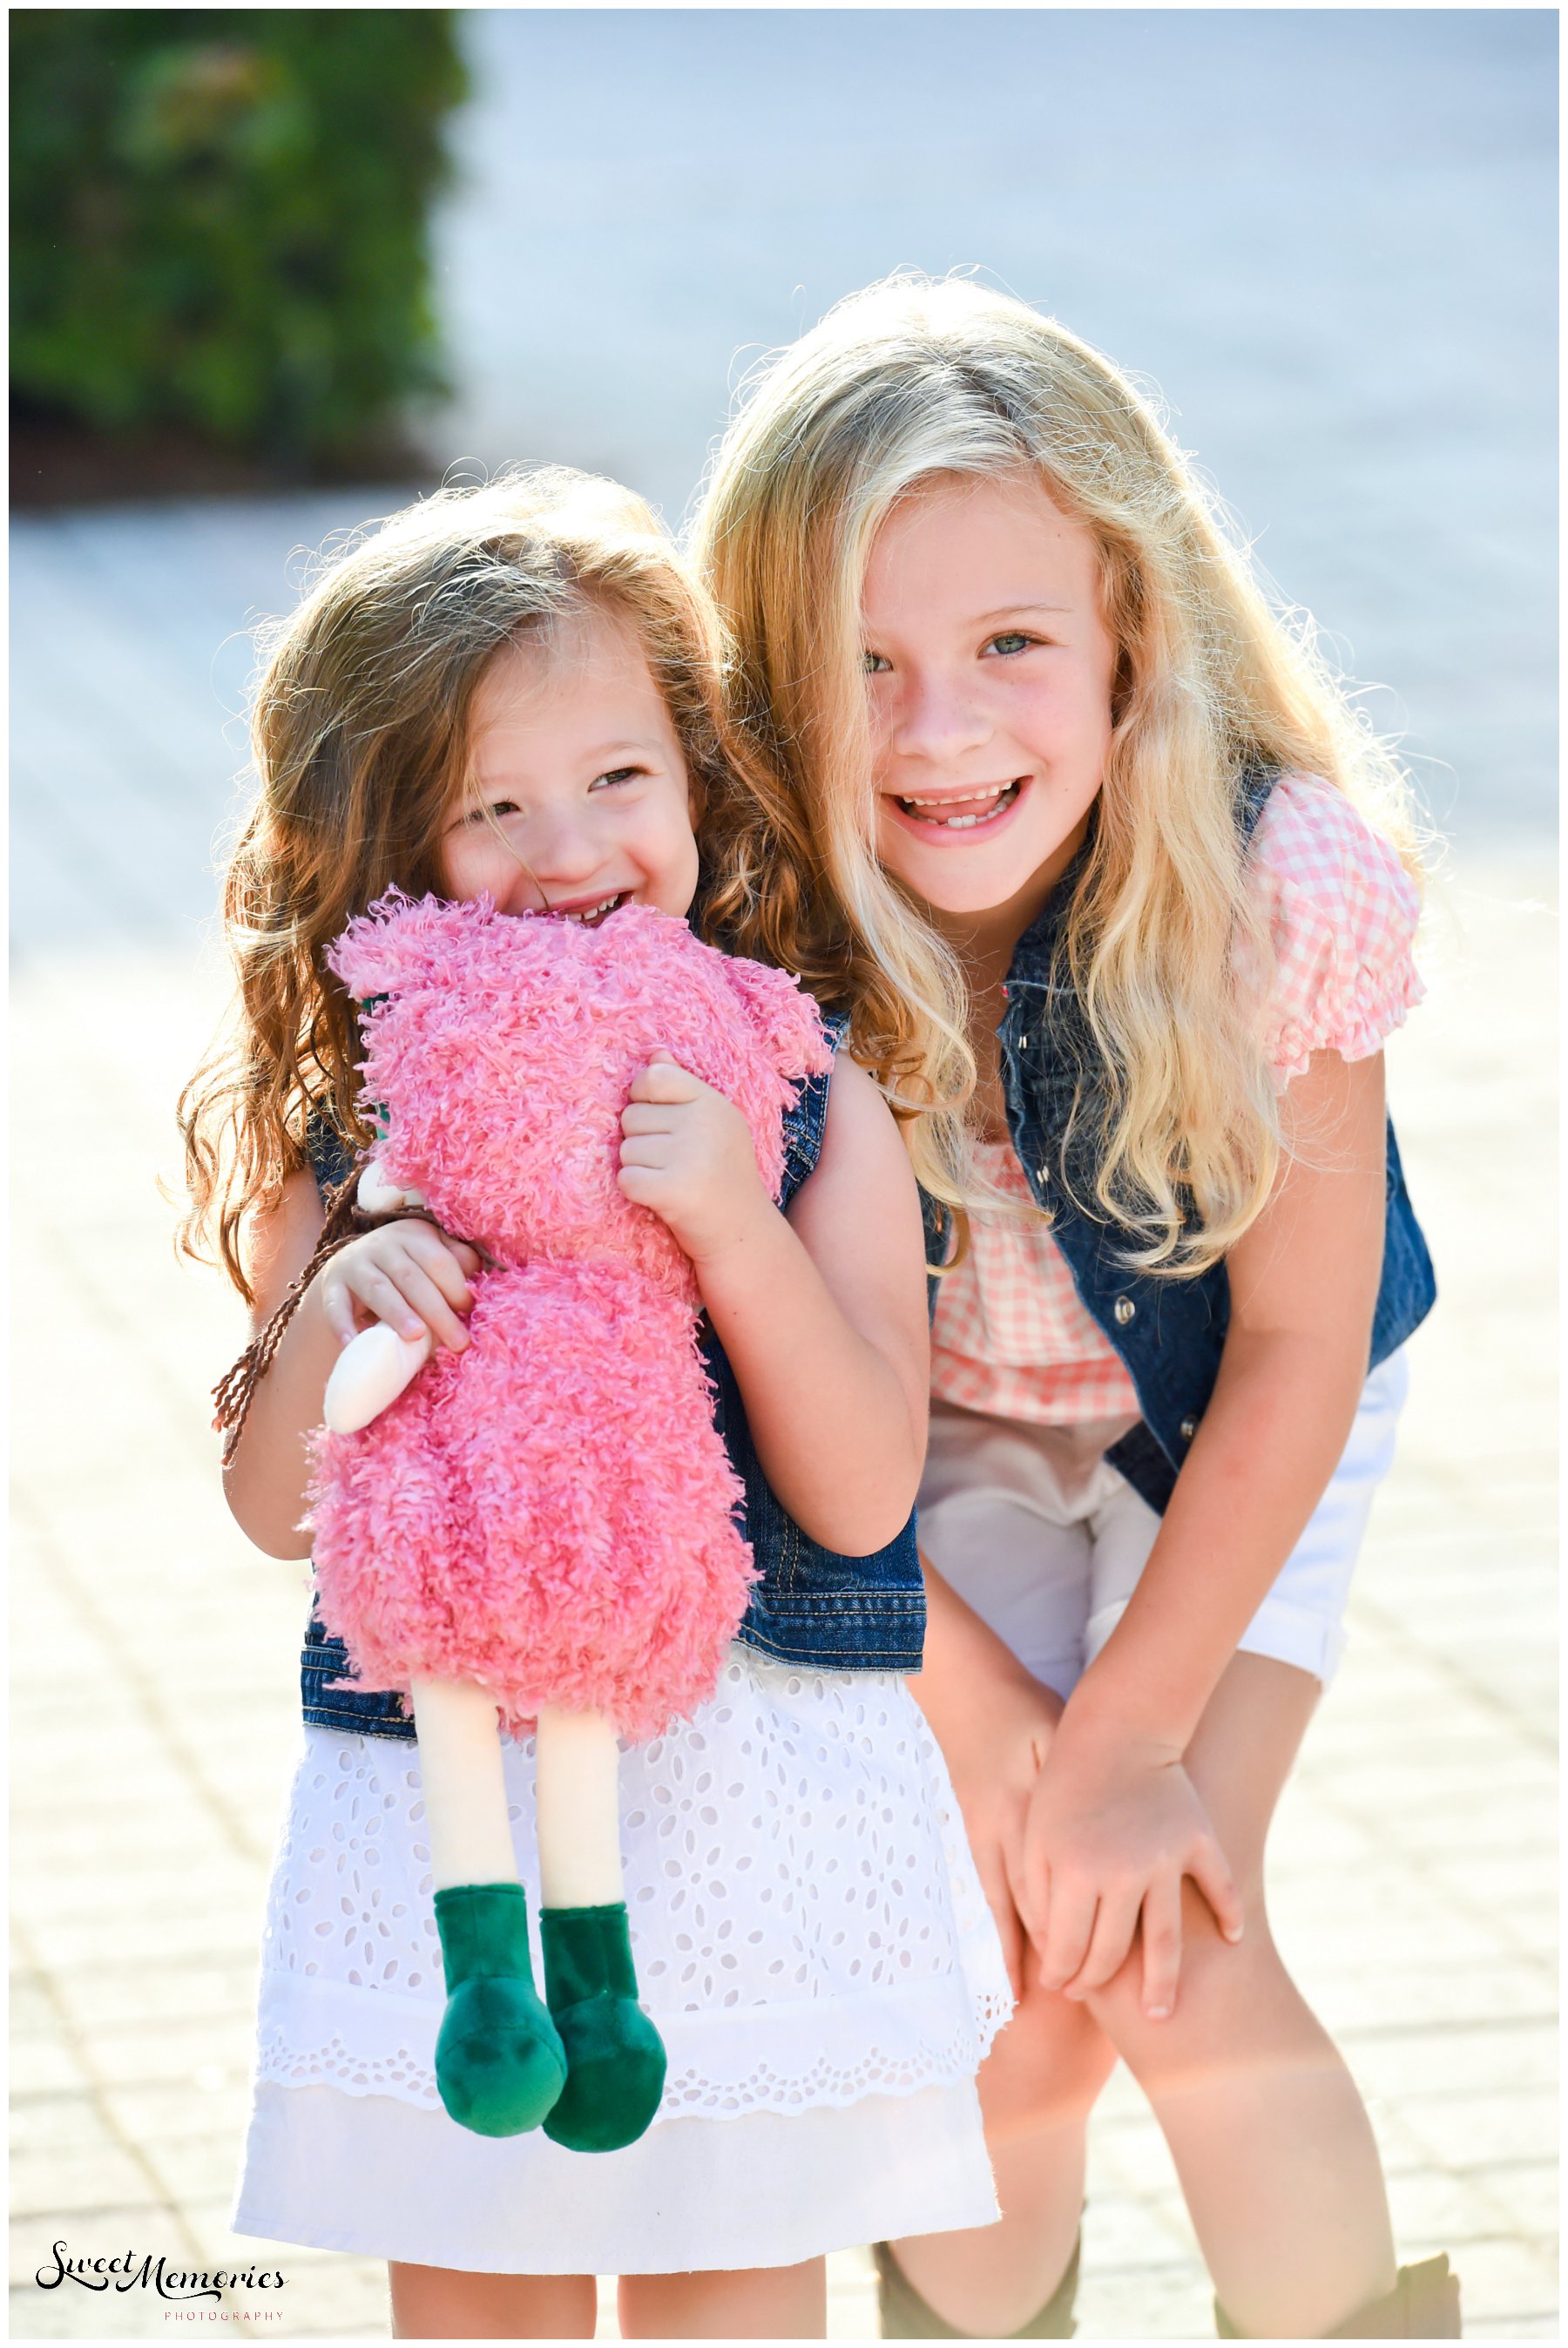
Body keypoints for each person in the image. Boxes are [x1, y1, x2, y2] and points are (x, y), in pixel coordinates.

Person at [690, 277, 1461, 2340]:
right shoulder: (737, 933)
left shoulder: (1275, 881)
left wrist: (1123, 1742)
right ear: (769, 686)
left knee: (1176, 1944)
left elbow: (1303, 1347)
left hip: (1229, 1420)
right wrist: (998, 1726)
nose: (941, 733)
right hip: (888, 1439)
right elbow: (734, 1399)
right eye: (866, 668)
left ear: (1135, 630)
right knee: (1008, 1985)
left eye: (1012, 645)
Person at [180, 470, 1011, 2341]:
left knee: (734, 2279)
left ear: (699, 786)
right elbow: (270, 1509)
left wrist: (729, 1217)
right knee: (481, 2282)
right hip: (444, 1817)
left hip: (752, 1798)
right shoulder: (370, 1132)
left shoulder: (804, 1106)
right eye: (493, 806)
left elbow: (866, 1487)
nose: (569, 844)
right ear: (392, 849)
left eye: (619, 779)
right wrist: (349, 1287)